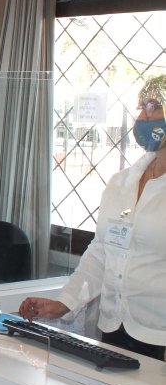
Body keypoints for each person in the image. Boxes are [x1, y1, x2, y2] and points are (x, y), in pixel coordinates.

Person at [20, 77, 166, 361]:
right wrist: (64, 303)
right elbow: (101, 253)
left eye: (153, 107)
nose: (142, 118)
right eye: (140, 108)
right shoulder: (121, 183)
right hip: (114, 329)